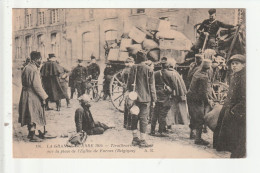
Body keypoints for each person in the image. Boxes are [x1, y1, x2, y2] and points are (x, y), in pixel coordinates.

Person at [213, 54, 246, 158]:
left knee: (239, 134)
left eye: (237, 64)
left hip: (239, 111)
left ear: (243, 65)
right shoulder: (235, 75)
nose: (234, 66)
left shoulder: (244, 77)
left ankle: (238, 154)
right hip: (230, 108)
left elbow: (246, 97)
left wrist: (235, 109)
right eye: (232, 64)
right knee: (231, 133)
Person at [127, 50, 157, 148]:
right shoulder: (149, 69)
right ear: (145, 59)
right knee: (144, 119)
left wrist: (130, 93)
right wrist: (154, 99)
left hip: (134, 97)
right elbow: (152, 86)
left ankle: (135, 139)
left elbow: (129, 83)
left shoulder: (133, 68)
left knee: (134, 117)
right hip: (145, 98)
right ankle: (143, 141)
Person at [18, 51, 48, 142]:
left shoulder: (27, 67)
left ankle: (30, 134)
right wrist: (44, 96)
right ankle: (32, 136)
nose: (41, 61)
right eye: (40, 59)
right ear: (36, 59)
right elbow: (37, 86)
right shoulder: (34, 69)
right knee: (33, 114)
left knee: (28, 113)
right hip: (32, 95)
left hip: (25, 94)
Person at [187, 59, 214, 145]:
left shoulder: (197, 72)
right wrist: (208, 101)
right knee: (200, 118)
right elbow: (203, 92)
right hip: (197, 99)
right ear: (208, 68)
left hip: (191, 97)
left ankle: (192, 133)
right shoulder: (204, 77)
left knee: (193, 116)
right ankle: (198, 139)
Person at [122, 57, 135, 129]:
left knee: (126, 107)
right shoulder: (131, 71)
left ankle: (125, 123)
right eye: (132, 62)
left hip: (125, 89)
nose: (133, 64)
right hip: (130, 90)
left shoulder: (124, 70)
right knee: (131, 106)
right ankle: (129, 124)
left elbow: (122, 79)